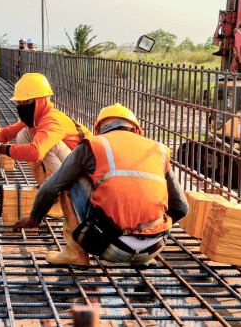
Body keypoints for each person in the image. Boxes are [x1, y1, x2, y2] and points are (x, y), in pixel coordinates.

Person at [13, 104, 189, 269]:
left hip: (110, 246)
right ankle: (142, 251)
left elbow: (51, 188)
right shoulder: (158, 149)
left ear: (99, 130)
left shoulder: (95, 144)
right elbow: (181, 207)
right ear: (136, 129)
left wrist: (35, 218)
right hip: (154, 249)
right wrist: (150, 228)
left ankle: (75, 253)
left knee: (68, 180)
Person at [0, 73, 92, 217]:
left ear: (40, 101)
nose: (21, 106)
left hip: (87, 177)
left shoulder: (52, 120)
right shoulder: (36, 119)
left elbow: (36, 152)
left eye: (26, 102)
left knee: (46, 144)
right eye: (19, 103)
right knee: (24, 134)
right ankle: (52, 190)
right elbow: (8, 132)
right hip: (74, 166)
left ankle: (64, 192)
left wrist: (0, 148)